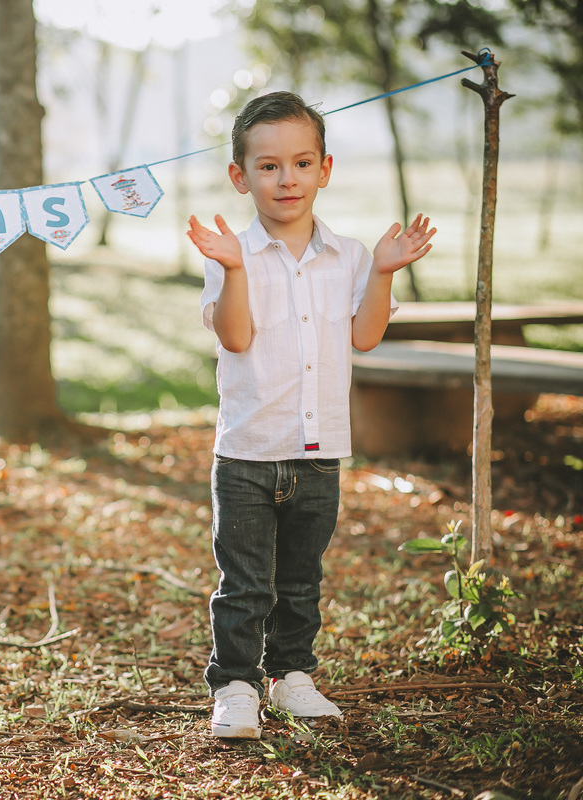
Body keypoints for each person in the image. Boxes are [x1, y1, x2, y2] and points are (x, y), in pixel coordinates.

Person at [187, 91, 436, 740]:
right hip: (246, 451)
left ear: (325, 168)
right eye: (268, 166)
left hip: (318, 450)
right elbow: (236, 337)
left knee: (299, 580)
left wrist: (382, 271)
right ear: (240, 177)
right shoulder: (228, 254)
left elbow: (365, 335)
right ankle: (236, 686)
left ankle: (291, 676)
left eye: (301, 163)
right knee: (244, 584)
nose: (286, 178)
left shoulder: (349, 255)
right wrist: (234, 270)